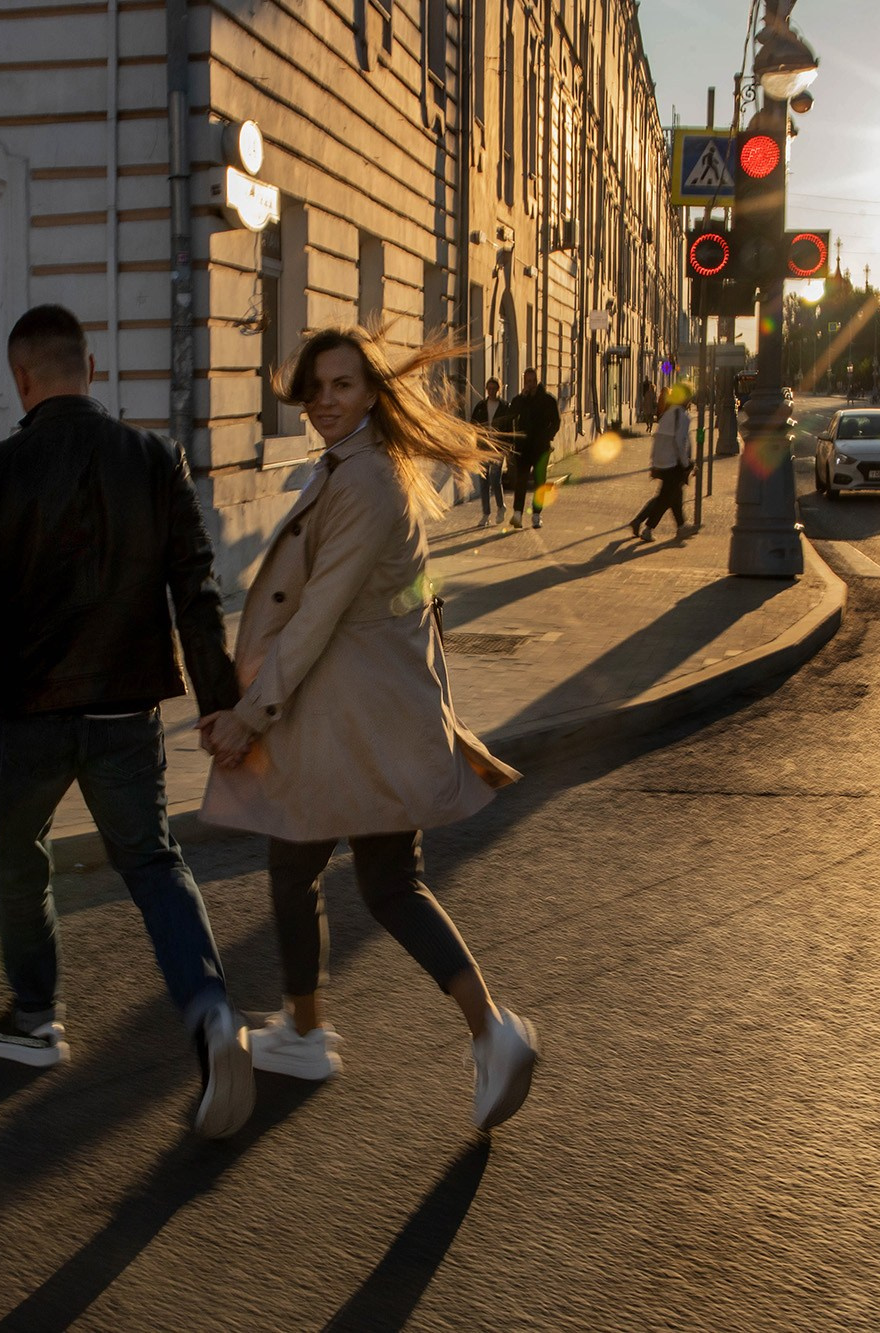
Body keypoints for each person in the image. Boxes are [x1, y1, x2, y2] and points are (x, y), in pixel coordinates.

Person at [0, 303, 254, 1140]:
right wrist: (220, 702)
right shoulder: (151, 458)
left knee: (20, 860)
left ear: (20, 377)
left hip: (29, 717)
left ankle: (35, 1016)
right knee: (152, 861)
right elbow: (196, 587)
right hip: (124, 711)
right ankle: (210, 1010)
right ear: (91, 371)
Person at [198, 326, 539, 1132]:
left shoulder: (364, 481)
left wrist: (250, 717)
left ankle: (317, 1034)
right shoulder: (367, 469)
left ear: (372, 393)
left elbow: (314, 617)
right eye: (315, 388)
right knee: (385, 882)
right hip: (373, 714)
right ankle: (485, 1031)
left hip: (344, 720)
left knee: (301, 865)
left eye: (342, 386)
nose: (324, 401)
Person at [630, 382, 694, 541]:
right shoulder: (682, 416)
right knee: (665, 499)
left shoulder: (668, 413)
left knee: (674, 496)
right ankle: (648, 529)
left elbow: (657, 439)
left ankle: (681, 527)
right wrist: (686, 464)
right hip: (673, 464)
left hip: (661, 461)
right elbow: (680, 442)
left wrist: (653, 462)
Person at [506, 368, 561, 529]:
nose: (529, 384)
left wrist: (547, 437)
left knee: (539, 483)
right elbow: (511, 416)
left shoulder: (547, 400)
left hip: (541, 448)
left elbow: (556, 422)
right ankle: (517, 514)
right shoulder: (519, 400)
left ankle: (536, 515)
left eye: (532, 381)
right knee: (520, 481)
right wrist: (521, 399)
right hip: (523, 448)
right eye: (527, 381)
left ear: (537, 381)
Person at [468, 376, 509, 526]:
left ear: (499, 389)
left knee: (495, 478)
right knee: (483, 480)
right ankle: (486, 514)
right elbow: (473, 425)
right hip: (483, 447)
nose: (491, 391)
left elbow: (510, 428)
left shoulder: (505, 407)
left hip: (498, 447)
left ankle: (501, 507)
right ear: (486, 389)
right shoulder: (480, 406)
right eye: (489, 389)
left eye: (494, 388)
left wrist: (507, 447)